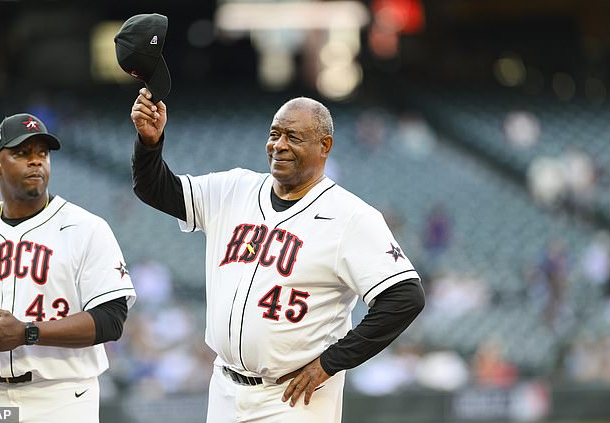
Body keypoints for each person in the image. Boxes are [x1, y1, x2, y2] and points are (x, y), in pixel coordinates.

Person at [129, 88, 425, 422]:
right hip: (225, 388)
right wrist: (149, 143)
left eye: (294, 137)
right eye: (275, 134)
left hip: (293, 397)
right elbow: (153, 188)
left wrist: (332, 362)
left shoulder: (351, 217)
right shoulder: (233, 189)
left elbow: (404, 297)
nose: (279, 145)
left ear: (324, 146)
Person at [0, 113, 136, 423]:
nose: (36, 161)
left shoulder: (86, 228)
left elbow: (111, 320)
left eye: (42, 153)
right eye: (22, 153)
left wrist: (27, 332)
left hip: (62, 396)